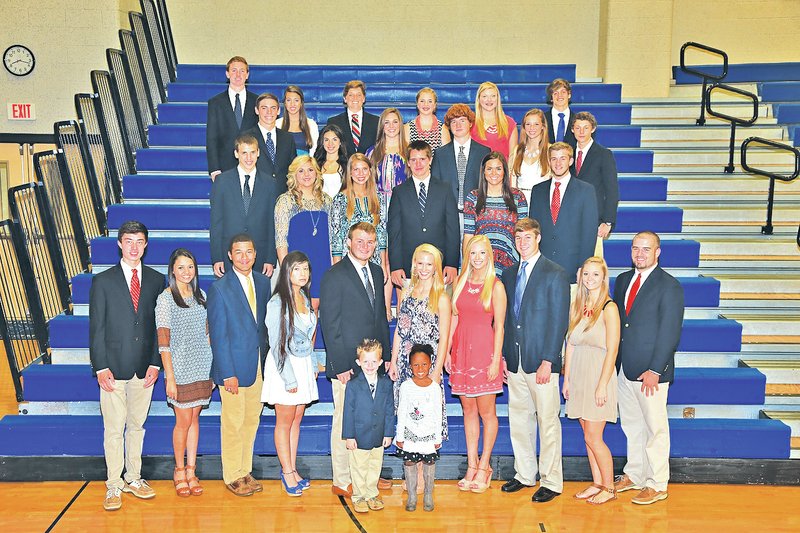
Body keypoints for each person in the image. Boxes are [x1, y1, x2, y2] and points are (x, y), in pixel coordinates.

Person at [90, 220, 165, 511]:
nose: (134, 247)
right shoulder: (103, 281)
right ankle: (113, 485)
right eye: (128, 241)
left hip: (143, 368)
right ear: (120, 243)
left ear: (146, 245)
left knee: (137, 426)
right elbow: (96, 328)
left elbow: (161, 326)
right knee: (113, 428)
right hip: (112, 368)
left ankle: (134, 478)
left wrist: (156, 363)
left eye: (139, 241)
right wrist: (100, 366)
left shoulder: (157, 281)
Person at [319, 221, 391, 497]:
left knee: (370, 419)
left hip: (373, 363)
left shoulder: (376, 271)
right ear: (348, 242)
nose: (365, 246)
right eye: (359, 241)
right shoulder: (335, 275)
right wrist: (340, 365)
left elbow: (380, 318)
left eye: (370, 242)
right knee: (344, 420)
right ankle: (342, 478)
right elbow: (330, 323)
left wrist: (384, 357)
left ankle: (366, 476)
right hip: (347, 365)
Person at [500, 218, 569, 503]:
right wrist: (505, 356)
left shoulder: (555, 273)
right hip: (515, 360)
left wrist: (549, 360)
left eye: (528, 237)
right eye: (518, 238)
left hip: (541, 363)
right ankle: (525, 473)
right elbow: (505, 319)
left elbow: (559, 321)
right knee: (519, 419)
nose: (522, 242)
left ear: (538, 238)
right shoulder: (509, 273)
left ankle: (552, 481)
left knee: (548, 422)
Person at [612, 232, 684, 505]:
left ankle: (657, 483)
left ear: (658, 252)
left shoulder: (669, 286)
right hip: (624, 368)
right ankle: (636, 474)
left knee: (655, 429)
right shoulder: (621, 281)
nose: (639, 254)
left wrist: (656, 369)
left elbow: (670, 333)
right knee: (632, 426)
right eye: (635, 248)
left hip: (650, 373)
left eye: (646, 249)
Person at [207, 233, 271, 497]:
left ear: (255, 254)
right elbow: (218, 337)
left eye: (249, 252)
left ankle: (244, 470)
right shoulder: (219, 288)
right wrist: (227, 373)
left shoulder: (264, 283)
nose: (245, 257)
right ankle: (233, 474)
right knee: (233, 421)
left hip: (258, 364)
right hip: (233, 366)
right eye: (239, 252)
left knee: (251, 419)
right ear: (230, 255)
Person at [447, 235, 506, 493]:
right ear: (467, 255)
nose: (477, 258)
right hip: (462, 352)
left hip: (485, 354)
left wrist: (496, 359)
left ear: (489, 256)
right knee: (468, 410)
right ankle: (471, 465)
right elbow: (454, 319)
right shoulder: (460, 283)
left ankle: (485, 466)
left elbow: (500, 327)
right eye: (473, 253)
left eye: (482, 253)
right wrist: (448, 351)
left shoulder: (496, 285)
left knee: (487, 412)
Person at [156, 248, 213, 498]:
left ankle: (192, 470)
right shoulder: (165, 299)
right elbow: (164, 342)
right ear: (172, 271)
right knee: (183, 422)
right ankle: (179, 470)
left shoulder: (202, 295)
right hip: (179, 369)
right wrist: (169, 376)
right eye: (181, 267)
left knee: (195, 420)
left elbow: (209, 335)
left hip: (202, 366)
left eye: (190, 267)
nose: (186, 272)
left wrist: (213, 372)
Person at [563, 256, 620, 505]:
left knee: (595, 437)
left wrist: (602, 384)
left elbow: (613, 350)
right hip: (578, 375)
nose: (590, 279)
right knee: (587, 435)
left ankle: (609, 487)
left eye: (595, 274)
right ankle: (597, 483)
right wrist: (567, 379)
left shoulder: (609, 308)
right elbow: (572, 343)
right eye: (586, 274)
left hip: (599, 374)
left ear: (604, 278)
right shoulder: (578, 305)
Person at [262, 251, 318, 497]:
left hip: (303, 365)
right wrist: (289, 379)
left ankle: (292, 468)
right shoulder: (277, 303)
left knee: (296, 420)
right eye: (297, 269)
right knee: (284, 422)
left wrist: (313, 365)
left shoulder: (305, 298)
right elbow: (276, 345)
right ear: (286, 272)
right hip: (285, 368)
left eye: (305, 268)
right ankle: (285, 473)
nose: (302, 273)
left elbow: (309, 338)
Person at [388, 140, 460, 288]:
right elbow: (394, 232)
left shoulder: (445, 189)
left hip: (439, 266)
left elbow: (453, 229)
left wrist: (452, 263)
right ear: (408, 162)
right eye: (413, 160)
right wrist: (395, 265)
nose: (418, 164)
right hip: (409, 267)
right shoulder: (399, 192)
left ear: (430, 160)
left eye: (422, 159)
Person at [329, 153, 391, 319]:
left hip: (374, 259)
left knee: (373, 309)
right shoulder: (340, 199)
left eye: (364, 169)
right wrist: (337, 269)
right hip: (349, 261)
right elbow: (336, 237)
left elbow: (382, 233)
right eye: (356, 169)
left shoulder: (378, 198)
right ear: (349, 172)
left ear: (370, 172)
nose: (360, 173)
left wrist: (383, 264)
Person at [210, 134, 279, 279]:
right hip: (229, 254)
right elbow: (216, 222)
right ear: (236, 154)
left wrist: (270, 258)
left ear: (258, 152)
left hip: (259, 255)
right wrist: (217, 257)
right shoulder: (222, 181)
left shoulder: (270, 183)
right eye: (244, 153)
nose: (249, 158)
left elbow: (272, 223)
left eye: (252, 152)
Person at [529, 142, 597, 285]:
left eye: (562, 158)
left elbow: (589, 234)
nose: (558, 163)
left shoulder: (586, 191)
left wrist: (583, 268)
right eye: (554, 158)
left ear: (571, 161)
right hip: (542, 266)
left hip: (571, 268)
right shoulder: (537, 190)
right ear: (549, 161)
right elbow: (533, 230)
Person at [342, 339, 396, 513]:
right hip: (359, 436)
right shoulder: (353, 385)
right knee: (358, 467)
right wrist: (349, 436)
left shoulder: (387, 384)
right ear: (359, 362)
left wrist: (388, 433)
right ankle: (358, 496)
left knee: (374, 466)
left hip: (378, 436)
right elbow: (348, 412)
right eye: (366, 361)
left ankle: (371, 494)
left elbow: (389, 410)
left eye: (374, 361)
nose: (370, 365)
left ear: (381, 362)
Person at [274, 155, 333, 301]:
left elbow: (333, 237)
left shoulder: (327, 200)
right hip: (298, 265)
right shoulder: (285, 201)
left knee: (318, 305)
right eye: (301, 171)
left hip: (322, 261)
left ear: (317, 173)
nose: (306, 175)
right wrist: (287, 272)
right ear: (294, 175)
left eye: (310, 170)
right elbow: (281, 241)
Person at [463, 152, 528, 276]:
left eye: (498, 169)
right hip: (481, 264)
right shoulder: (473, 197)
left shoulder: (518, 197)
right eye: (489, 169)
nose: (494, 173)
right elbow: (468, 236)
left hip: (511, 264)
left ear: (504, 171)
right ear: (483, 172)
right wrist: (467, 268)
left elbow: (523, 235)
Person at [395, 344, 443, 512]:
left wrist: (438, 438)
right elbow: (401, 413)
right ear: (410, 367)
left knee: (429, 463)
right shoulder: (406, 387)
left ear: (430, 364)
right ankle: (412, 496)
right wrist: (399, 436)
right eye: (416, 365)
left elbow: (438, 414)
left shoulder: (435, 388)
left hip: (429, 436)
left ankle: (428, 494)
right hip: (410, 436)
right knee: (410, 462)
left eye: (424, 364)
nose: (420, 368)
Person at [431, 104, 491, 231]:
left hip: (477, 215)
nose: (458, 125)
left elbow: (488, 185)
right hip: (448, 217)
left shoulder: (484, 152)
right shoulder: (440, 154)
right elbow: (435, 188)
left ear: (470, 123)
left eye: (462, 120)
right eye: (454, 122)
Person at [571, 111, 620, 257]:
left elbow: (612, 190)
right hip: (569, 217)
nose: (581, 132)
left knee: (592, 262)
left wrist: (608, 221)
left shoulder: (604, 154)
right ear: (572, 129)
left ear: (593, 129)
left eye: (586, 128)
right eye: (578, 127)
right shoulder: (566, 154)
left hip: (594, 218)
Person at [206, 56, 258, 180]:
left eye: (242, 71)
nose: (238, 74)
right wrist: (214, 168)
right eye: (234, 70)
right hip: (224, 166)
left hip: (252, 164)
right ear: (227, 74)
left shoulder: (257, 101)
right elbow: (211, 137)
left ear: (247, 75)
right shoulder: (215, 103)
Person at [244, 92, 298, 194]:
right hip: (256, 196)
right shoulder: (246, 137)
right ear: (257, 110)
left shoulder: (287, 138)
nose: (269, 112)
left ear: (278, 111)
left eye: (273, 108)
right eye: (264, 108)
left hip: (282, 196)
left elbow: (293, 169)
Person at [366, 107, 408, 206]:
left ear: (400, 125)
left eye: (395, 122)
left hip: (404, 206)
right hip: (377, 207)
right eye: (387, 122)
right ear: (382, 126)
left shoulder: (410, 152)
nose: (391, 126)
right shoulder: (371, 153)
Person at [326, 80, 380, 155]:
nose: (355, 98)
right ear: (345, 99)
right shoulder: (334, 122)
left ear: (364, 98)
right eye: (351, 95)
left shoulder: (376, 122)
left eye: (359, 95)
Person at [508, 108, 551, 204]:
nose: (532, 128)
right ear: (523, 127)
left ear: (543, 126)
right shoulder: (517, 150)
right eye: (528, 124)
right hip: (520, 203)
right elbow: (513, 183)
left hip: (542, 202)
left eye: (536, 124)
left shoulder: (550, 151)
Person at [471, 81, 518, 158]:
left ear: (498, 98)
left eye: (493, 96)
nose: (489, 100)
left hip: (503, 169)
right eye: (484, 96)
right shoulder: (471, 123)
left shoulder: (509, 123)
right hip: (477, 169)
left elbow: (513, 156)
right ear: (479, 99)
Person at [403, 87, 450, 155]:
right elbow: (406, 155)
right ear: (417, 104)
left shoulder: (443, 129)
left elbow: (447, 156)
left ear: (435, 105)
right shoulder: (407, 128)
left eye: (430, 101)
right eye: (422, 101)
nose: (426, 104)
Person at [276, 85, 319, 156]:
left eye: (296, 100)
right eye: (289, 100)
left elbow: (314, 151)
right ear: (285, 103)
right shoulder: (277, 124)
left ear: (301, 103)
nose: (292, 104)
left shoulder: (311, 124)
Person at [314, 124, 348, 198]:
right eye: (326, 140)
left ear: (340, 142)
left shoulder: (348, 165)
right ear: (322, 142)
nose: (330, 144)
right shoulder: (314, 164)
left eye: (334, 139)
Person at [544, 78, 577, 147]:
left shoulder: (577, 120)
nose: (560, 96)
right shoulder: (542, 119)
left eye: (563, 92)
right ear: (551, 97)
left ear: (569, 95)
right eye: (555, 93)